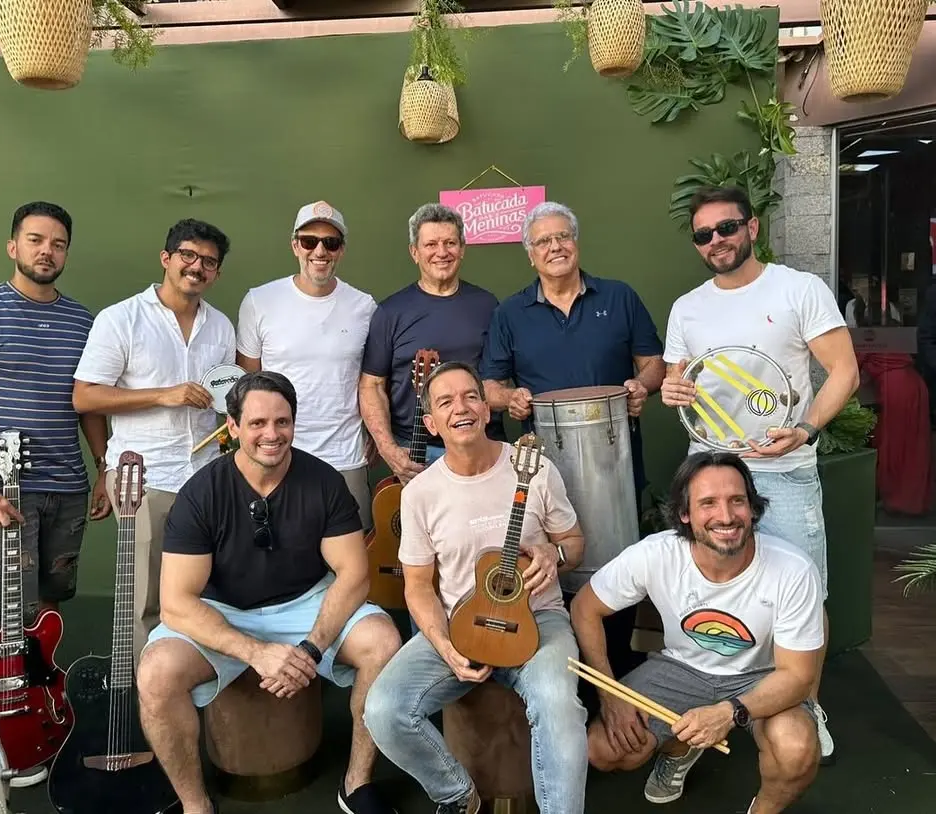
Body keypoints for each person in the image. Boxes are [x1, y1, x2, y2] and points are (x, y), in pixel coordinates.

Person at [135, 371, 402, 814]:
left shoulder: (324, 482)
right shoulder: (201, 493)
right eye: (257, 423)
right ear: (233, 426)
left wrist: (311, 649)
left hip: (307, 602)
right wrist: (256, 653)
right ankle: (195, 804)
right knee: (155, 673)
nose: (271, 434)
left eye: (282, 421)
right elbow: (177, 603)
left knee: (383, 641)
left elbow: (354, 574)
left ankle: (357, 784)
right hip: (224, 610)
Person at [660, 185, 860, 763]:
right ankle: (711, 706)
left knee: (805, 593)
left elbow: (844, 371)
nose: (716, 241)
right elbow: (678, 380)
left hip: (783, 470)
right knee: (712, 592)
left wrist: (806, 428)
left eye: (727, 228)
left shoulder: (798, 289)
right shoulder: (687, 307)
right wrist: (672, 391)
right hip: (708, 472)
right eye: (704, 234)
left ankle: (806, 705)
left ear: (751, 228)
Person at [0, 201, 112, 787]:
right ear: (12, 246)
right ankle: (1, 728)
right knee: (9, 612)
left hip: (67, 487)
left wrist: (104, 467)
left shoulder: (83, 321)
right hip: (4, 491)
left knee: (51, 603)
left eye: (57, 243)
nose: (46, 251)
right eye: (35, 240)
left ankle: (41, 709)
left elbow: (88, 403)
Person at [363, 361, 589, 814]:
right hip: (458, 623)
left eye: (470, 396)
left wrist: (555, 554)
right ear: (431, 423)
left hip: (539, 619)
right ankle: (456, 793)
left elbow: (574, 543)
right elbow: (418, 587)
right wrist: (445, 646)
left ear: (487, 409)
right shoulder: (420, 493)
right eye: (445, 402)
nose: (461, 408)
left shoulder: (535, 469)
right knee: (383, 709)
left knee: (558, 703)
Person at [478, 200, 666, 688]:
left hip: (616, 464)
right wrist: (509, 398)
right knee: (553, 572)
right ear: (530, 254)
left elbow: (654, 363)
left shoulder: (619, 297)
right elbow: (489, 386)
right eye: (543, 241)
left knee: (618, 571)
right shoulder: (510, 313)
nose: (555, 247)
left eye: (563, 236)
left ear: (576, 242)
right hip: (541, 473)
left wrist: (641, 385)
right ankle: (567, 686)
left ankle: (618, 686)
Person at [572, 452, 823, 813]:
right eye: (708, 503)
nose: (726, 516)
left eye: (737, 501)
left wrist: (728, 712)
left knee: (795, 748)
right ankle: (680, 749)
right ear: (684, 514)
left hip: (764, 675)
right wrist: (610, 695)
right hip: (682, 669)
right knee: (604, 749)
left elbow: (797, 677)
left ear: (752, 508)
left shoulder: (793, 569)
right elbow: (584, 608)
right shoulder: (655, 554)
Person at [73, 218, 237, 658]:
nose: (197, 266)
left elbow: (223, 398)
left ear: (217, 272)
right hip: (142, 479)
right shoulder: (121, 319)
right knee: (144, 599)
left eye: (208, 261)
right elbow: (85, 396)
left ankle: (195, 682)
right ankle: (147, 690)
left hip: (205, 477)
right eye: (188, 255)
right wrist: (164, 395)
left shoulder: (221, 327)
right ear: (166, 258)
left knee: (204, 594)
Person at [236, 201, 377, 530]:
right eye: (309, 241)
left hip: (345, 457)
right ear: (295, 245)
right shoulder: (259, 301)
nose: (320, 251)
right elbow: (246, 383)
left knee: (353, 553)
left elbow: (371, 381)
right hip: (277, 455)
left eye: (331, 242)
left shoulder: (364, 306)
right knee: (277, 552)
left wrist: (375, 431)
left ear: (341, 250)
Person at [359, 203, 504, 484]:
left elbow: (499, 378)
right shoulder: (390, 312)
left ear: (462, 249)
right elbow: (371, 385)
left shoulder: (488, 306)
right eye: (431, 244)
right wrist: (388, 449)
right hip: (416, 452)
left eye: (450, 243)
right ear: (415, 252)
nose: (442, 252)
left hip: (482, 446)